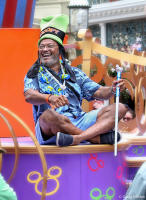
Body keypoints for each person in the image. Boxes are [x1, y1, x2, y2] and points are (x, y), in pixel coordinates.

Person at [24, 14, 128, 147]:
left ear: (60, 50)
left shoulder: (75, 73)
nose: (45, 50)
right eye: (42, 46)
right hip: (51, 127)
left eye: (49, 46)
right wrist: (49, 98)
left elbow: (98, 91)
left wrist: (112, 89)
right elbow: (29, 95)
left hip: (80, 120)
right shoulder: (34, 73)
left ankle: (77, 138)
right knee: (48, 115)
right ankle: (95, 139)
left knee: (120, 108)